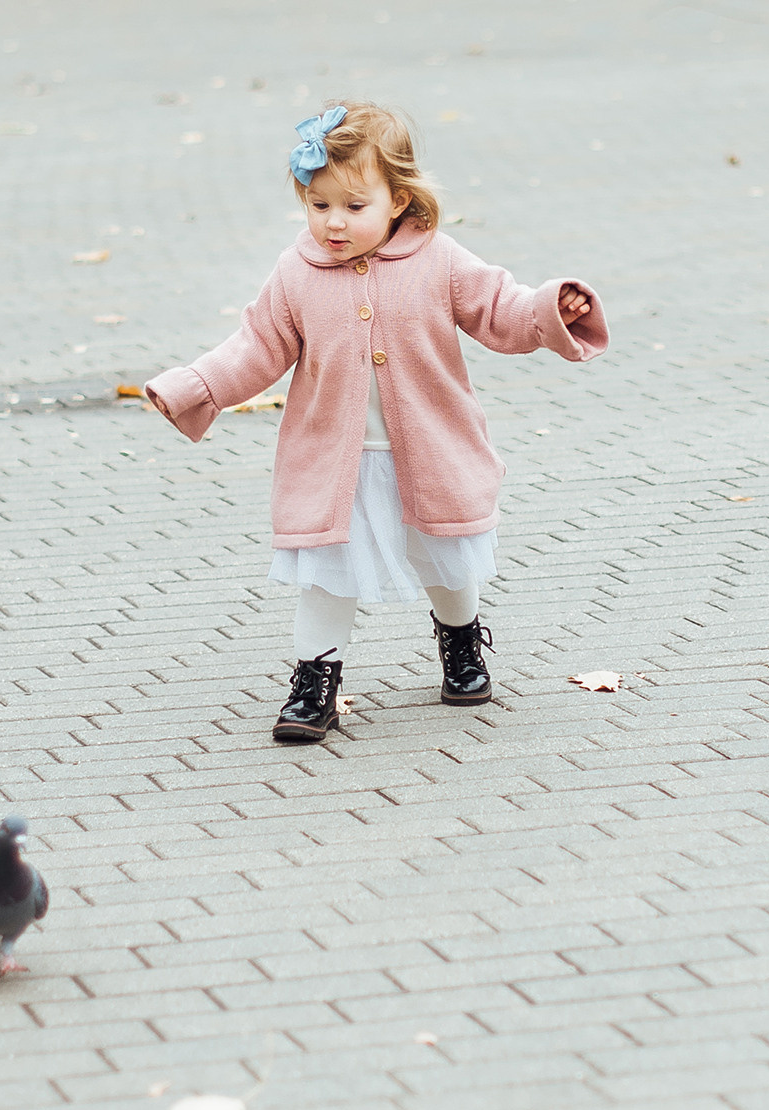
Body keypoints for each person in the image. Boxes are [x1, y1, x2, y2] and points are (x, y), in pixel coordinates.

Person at [145, 101, 607, 743]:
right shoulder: (297, 273)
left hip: (430, 450)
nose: (333, 223)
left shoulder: (439, 260)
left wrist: (549, 308)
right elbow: (257, 347)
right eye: (318, 204)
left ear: (398, 200)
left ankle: (462, 641)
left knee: (447, 560)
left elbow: (499, 309)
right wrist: (196, 386)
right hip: (338, 461)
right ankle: (315, 682)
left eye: (353, 206)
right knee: (326, 573)